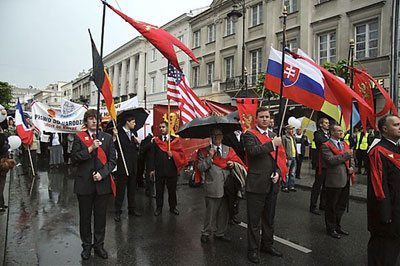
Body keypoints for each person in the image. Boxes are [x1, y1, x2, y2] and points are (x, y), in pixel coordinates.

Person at [71, 109, 117, 260]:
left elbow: (112, 161)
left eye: (96, 118)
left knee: (100, 217)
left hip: (101, 184)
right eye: (90, 119)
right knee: (85, 218)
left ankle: (99, 245)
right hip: (84, 184)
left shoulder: (108, 138)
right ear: (86, 121)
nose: (93, 121)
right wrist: (90, 148)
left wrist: (102, 174)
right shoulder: (79, 137)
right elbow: (74, 158)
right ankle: (86, 246)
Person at [242, 106, 285, 264]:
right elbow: (253, 151)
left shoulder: (274, 135)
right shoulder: (249, 135)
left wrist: (278, 173)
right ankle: (253, 250)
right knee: (254, 221)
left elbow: (280, 159)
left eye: (267, 116)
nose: (265, 119)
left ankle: (267, 245)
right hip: (256, 184)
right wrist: (272, 144)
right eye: (262, 117)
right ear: (256, 119)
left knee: (269, 219)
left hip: (272, 184)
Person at [198, 128, 246, 244]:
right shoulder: (204, 151)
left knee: (224, 212)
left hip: (227, 186)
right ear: (211, 137)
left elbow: (239, 163)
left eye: (218, 135)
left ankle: (220, 232)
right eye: (214, 135)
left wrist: (232, 164)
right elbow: (201, 168)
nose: (216, 137)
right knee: (211, 212)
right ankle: (206, 232)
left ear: (222, 136)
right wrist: (210, 157)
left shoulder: (228, 149)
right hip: (213, 186)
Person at [367, 115, 400, 266]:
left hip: (397, 209)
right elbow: (379, 185)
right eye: (396, 125)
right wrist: (385, 215)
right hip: (386, 212)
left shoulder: (396, 148)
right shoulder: (378, 151)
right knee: (383, 252)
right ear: (385, 129)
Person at [321, 124, 354, 239]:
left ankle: (337, 225)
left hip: (346, 178)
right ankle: (331, 228)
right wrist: (346, 155)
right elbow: (331, 160)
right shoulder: (326, 145)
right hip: (334, 180)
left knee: (341, 205)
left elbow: (351, 158)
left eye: (342, 131)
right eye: (338, 131)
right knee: (331, 205)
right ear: (332, 132)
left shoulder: (345, 144)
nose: (341, 133)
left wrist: (352, 168)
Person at [149, 121, 187, 216]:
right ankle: (159, 208)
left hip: (171, 170)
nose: (161, 129)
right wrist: (152, 169)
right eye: (160, 127)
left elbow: (181, 154)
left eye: (163, 127)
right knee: (159, 191)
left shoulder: (175, 140)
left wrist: (173, 154)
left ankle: (173, 207)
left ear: (168, 128)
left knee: (172, 190)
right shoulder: (156, 141)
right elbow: (152, 156)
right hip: (159, 170)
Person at [114, 114, 142, 222]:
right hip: (123, 165)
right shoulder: (119, 133)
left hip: (133, 165)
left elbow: (135, 149)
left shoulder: (133, 133)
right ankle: (118, 211)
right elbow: (115, 146)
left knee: (132, 189)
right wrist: (114, 137)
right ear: (128, 122)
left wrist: (138, 143)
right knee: (121, 190)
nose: (135, 124)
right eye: (133, 122)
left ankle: (132, 209)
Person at [309, 117, 330, 215]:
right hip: (321, 164)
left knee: (326, 186)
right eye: (325, 123)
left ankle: (323, 204)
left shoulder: (329, 134)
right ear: (321, 124)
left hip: (328, 163)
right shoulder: (317, 133)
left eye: (328, 123)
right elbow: (323, 142)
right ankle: (313, 206)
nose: (327, 124)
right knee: (317, 185)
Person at [281, 125, 297, 192]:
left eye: (293, 129)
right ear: (287, 130)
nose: (292, 131)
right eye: (290, 129)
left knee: (292, 173)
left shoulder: (293, 137)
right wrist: (284, 157)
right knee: (286, 173)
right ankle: (285, 186)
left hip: (294, 157)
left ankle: (291, 186)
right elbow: (283, 148)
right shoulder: (284, 137)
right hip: (288, 157)